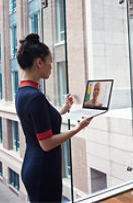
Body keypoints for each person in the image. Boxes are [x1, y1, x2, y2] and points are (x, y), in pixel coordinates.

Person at [15, 33, 92, 202]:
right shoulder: (35, 97)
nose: (51, 66)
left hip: (33, 164)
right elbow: (47, 143)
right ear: (39, 62)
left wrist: (64, 109)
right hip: (43, 171)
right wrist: (78, 128)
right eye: (49, 61)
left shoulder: (23, 91)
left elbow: (40, 123)